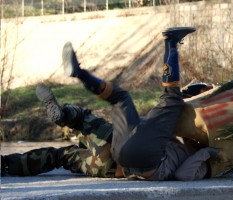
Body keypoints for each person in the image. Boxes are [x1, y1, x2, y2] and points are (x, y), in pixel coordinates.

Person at [1, 27, 213, 180]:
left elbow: (171, 98)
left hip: (118, 140)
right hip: (114, 165)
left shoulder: (183, 127)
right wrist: (210, 155)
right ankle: (6, 164)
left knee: (88, 116)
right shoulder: (194, 139)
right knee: (60, 155)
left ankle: (66, 110)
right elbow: (184, 171)